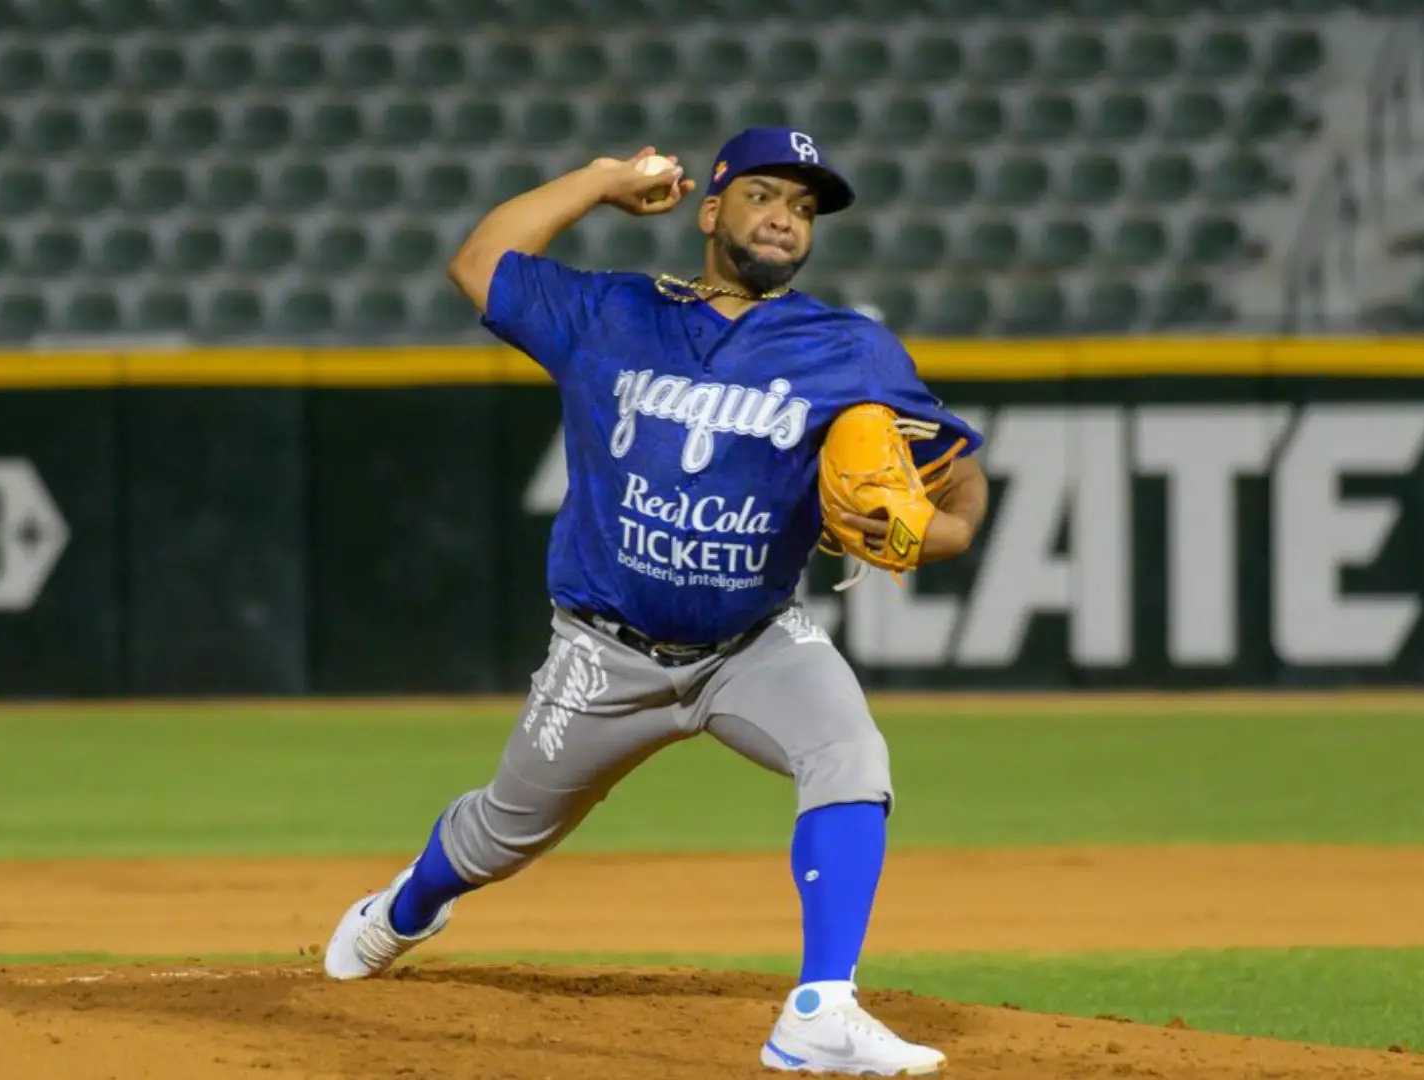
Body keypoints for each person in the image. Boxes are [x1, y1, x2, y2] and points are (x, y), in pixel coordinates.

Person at [324, 127, 990, 1077]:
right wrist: (601, 181)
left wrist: (936, 533)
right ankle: (406, 908)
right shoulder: (612, 313)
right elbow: (479, 262)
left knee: (851, 755)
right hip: (605, 651)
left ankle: (820, 1006)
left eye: (803, 210)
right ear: (710, 210)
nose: (785, 220)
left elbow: (962, 481)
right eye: (765, 195)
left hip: (753, 642)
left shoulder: (850, 350)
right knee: (501, 832)